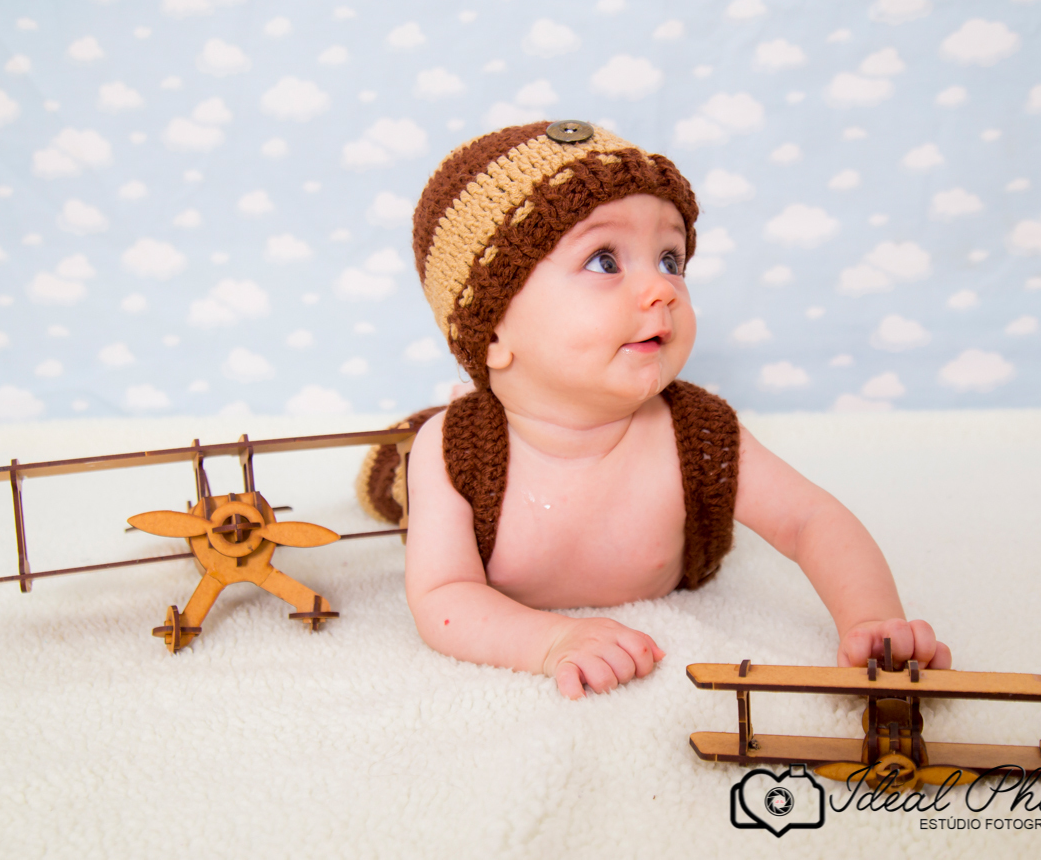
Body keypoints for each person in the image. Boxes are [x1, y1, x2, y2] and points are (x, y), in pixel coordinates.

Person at [356, 120, 950, 699]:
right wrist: (550, 641)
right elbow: (444, 596)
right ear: (493, 333)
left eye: (670, 259)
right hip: (457, 438)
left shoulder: (697, 434)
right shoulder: (456, 450)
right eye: (605, 261)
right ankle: (390, 458)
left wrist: (872, 620)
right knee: (399, 473)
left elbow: (811, 520)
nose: (663, 289)